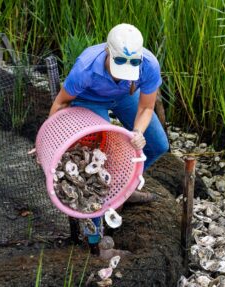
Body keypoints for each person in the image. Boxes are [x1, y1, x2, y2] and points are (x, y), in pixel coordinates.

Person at [48, 23, 170, 253]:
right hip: (89, 100)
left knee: (157, 145)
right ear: (108, 53)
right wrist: (52, 138)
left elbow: (146, 108)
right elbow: (61, 102)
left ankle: (125, 188)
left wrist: (137, 133)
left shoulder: (148, 64)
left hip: (126, 96)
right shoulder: (86, 67)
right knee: (97, 160)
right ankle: (94, 238)